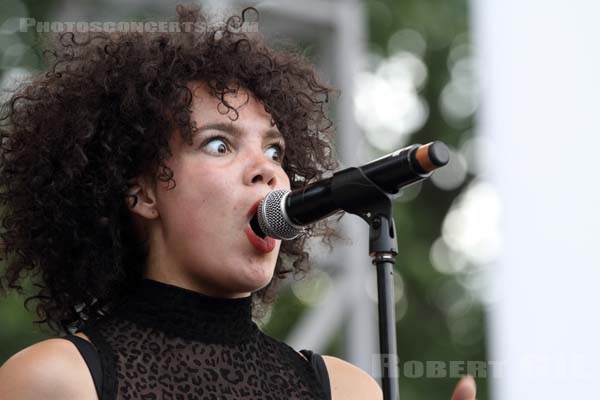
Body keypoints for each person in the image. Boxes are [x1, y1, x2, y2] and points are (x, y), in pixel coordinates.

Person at [0, 4, 476, 400]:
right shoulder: (55, 380)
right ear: (142, 193)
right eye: (218, 144)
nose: (267, 169)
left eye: (274, 150)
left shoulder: (347, 391)